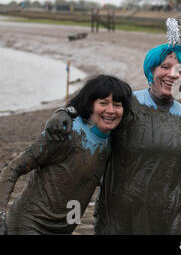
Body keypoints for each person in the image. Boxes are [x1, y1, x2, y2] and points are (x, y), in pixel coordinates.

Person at [45, 18, 181, 234]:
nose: (172, 75)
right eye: (165, 67)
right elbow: (88, 110)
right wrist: (64, 112)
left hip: (166, 218)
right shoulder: (125, 102)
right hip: (118, 217)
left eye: (180, 70)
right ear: (152, 70)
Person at [0, 75, 132, 235]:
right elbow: (14, 168)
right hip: (28, 225)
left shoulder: (112, 142)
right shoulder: (65, 133)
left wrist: (66, 110)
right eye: (103, 103)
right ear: (90, 105)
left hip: (64, 229)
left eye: (117, 105)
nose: (110, 110)